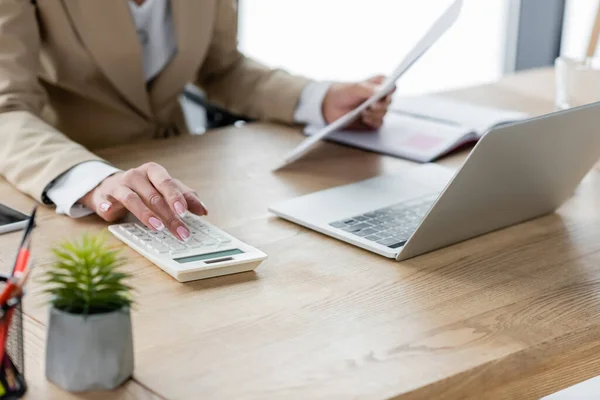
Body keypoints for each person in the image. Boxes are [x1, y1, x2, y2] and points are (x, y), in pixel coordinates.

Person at [0, 0, 392, 242]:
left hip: (179, 179)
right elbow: (7, 109)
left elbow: (223, 67)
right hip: (72, 189)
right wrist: (93, 180)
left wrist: (317, 99)